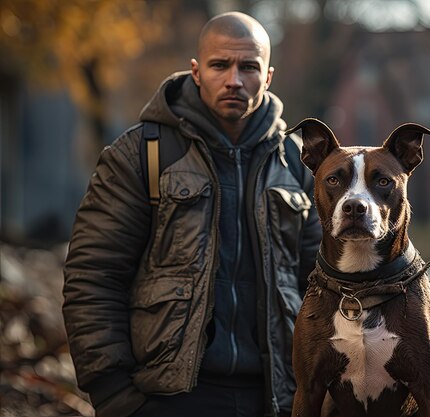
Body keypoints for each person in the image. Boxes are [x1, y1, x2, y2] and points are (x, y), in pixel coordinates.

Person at [62, 11, 321, 417]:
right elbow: (93, 276)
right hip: (169, 398)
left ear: (268, 76)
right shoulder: (141, 153)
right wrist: (114, 394)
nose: (234, 80)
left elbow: (321, 287)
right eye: (220, 65)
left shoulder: (297, 162)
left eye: (248, 67)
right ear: (197, 72)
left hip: (275, 398)